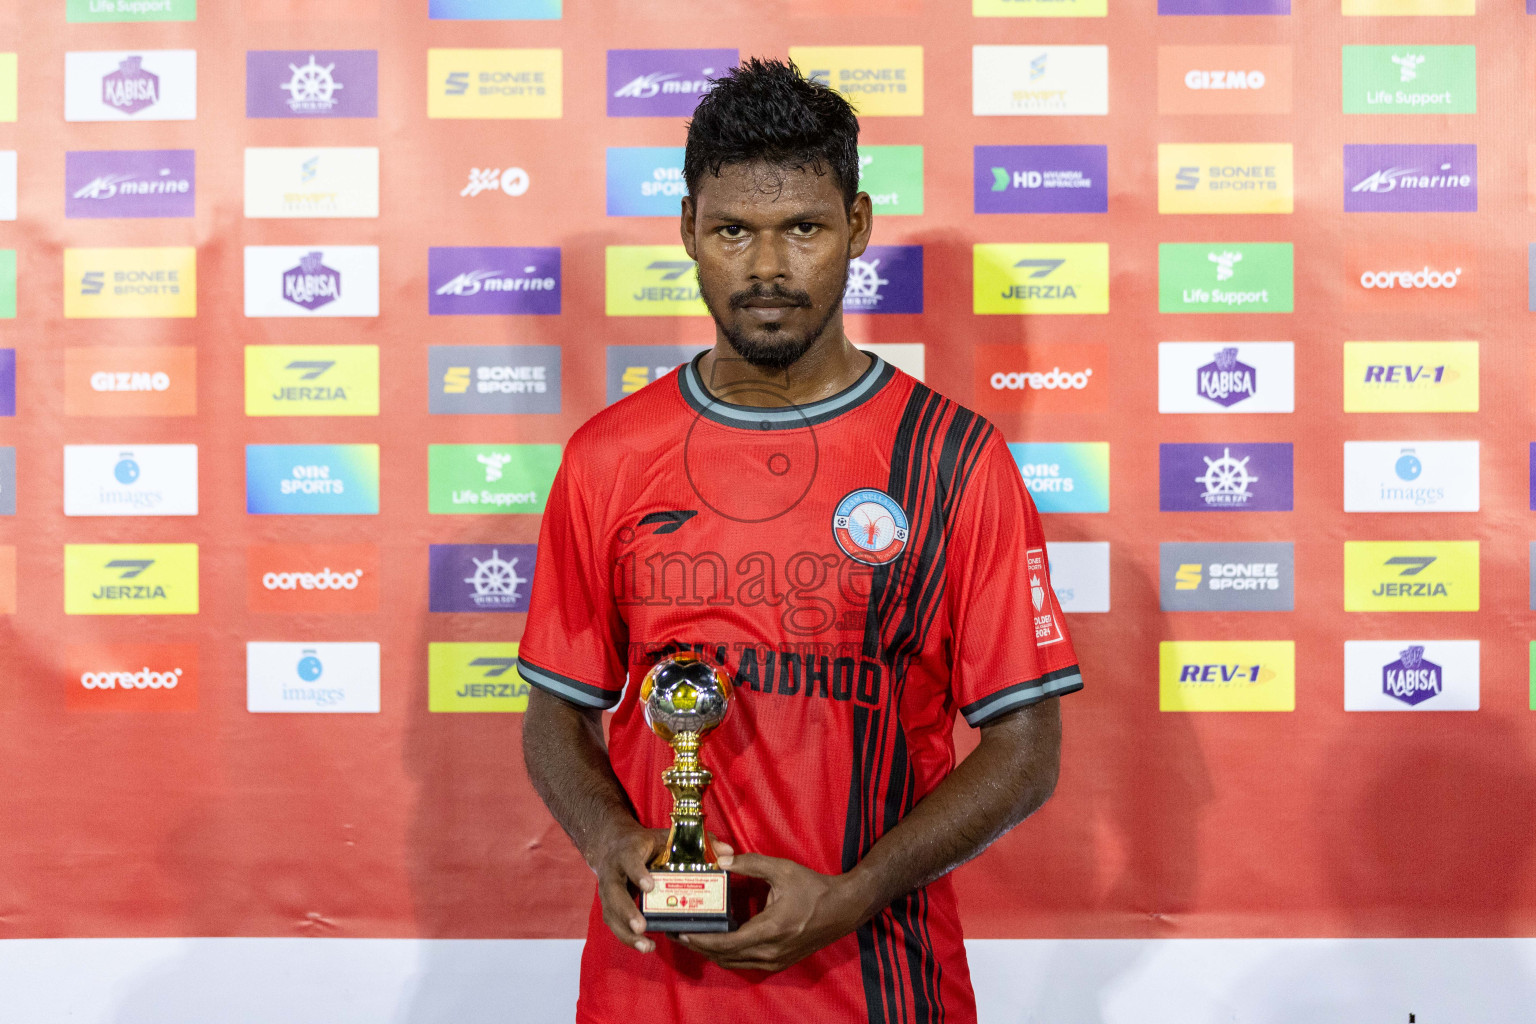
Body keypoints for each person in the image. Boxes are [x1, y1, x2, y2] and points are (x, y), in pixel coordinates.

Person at [518, 56, 1082, 1024]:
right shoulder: (608, 457)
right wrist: (611, 839)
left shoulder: (954, 460)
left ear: (856, 227)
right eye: (735, 229)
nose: (768, 268)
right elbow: (555, 717)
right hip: (655, 987)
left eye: (804, 230)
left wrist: (855, 891)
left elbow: (1025, 748)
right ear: (689, 230)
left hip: (875, 977)